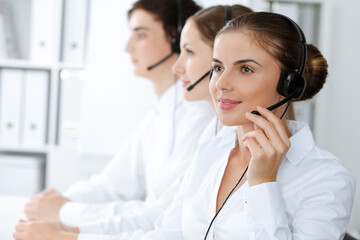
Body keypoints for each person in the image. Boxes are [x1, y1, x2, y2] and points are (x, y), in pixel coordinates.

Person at [22, 0, 214, 228]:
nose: (128, 47)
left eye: (140, 35)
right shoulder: (158, 114)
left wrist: (65, 211)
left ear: (176, 40)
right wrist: (59, 201)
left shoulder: (201, 117)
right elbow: (113, 183)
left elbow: (163, 213)